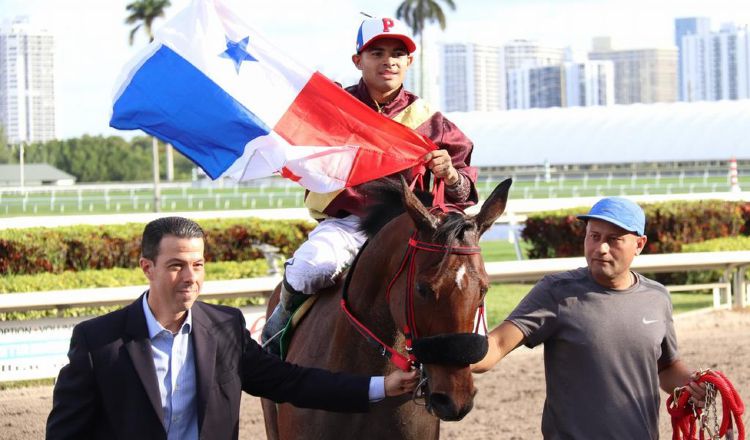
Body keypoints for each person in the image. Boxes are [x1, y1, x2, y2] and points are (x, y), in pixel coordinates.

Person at [46, 216, 418, 440]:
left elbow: (293, 383)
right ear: (147, 267)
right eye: (176, 265)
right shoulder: (98, 343)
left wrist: (379, 387)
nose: (190, 277)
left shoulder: (225, 328)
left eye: (199, 264)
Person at [262, 16, 478, 351]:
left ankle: (464, 354)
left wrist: (449, 172)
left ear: (408, 62)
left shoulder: (432, 123)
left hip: (412, 230)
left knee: (463, 280)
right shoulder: (333, 109)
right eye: (377, 52)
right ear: (358, 60)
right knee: (308, 268)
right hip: (348, 226)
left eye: (397, 53)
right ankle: (277, 334)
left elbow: (464, 191)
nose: (388, 61)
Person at [472, 197, 706, 439]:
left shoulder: (657, 297)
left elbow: (667, 368)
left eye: (613, 240)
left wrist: (693, 384)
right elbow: (497, 345)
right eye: (594, 236)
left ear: (639, 244)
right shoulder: (555, 292)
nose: (601, 248)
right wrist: (451, 352)